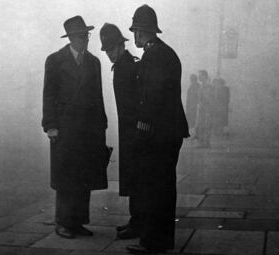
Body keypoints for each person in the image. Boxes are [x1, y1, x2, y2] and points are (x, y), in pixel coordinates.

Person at [126, 5, 189, 253]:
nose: (134, 36)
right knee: (162, 186)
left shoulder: (155, 56)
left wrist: (142, 128)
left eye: (135, 31)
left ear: (142, 32)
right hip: (169, 130)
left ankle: (153, 242)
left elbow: (151, 97)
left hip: (159, 133)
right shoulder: (164, 53)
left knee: (155, 187)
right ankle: (159, 240)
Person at [42, 16, 108, 239]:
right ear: (71, 37)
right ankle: (63, 223)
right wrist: (50, 126)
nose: (85, 39)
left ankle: (78, 222)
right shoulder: (54, 60)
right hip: (65, 128)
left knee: (84, 176)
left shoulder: (94, 62)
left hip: (88, 129)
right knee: (66, 177)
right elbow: (48, 95)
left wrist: (102, 126)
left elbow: (98, 97)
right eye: (81, 35)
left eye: (86, 35)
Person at [99, 23, 142, 239]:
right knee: (133, 177)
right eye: (105, 51)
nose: (108, 54)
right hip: (129, 130)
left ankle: (138, 223)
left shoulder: (128, 66)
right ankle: (136, 220)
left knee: (136, 178)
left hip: (134, 131)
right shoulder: (125, 64)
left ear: (120, 45)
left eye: (110, 49)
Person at [195, 70, 214, 148]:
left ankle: (205, 143)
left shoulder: (208, 85)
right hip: (202, 108)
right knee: (200, 125)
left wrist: (203, 104)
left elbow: (209, 98)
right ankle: (202, 142)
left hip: (206, 108)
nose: (199, 77)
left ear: (205, 76)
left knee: (206, 125)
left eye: (200, 75)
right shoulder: (202, 85)